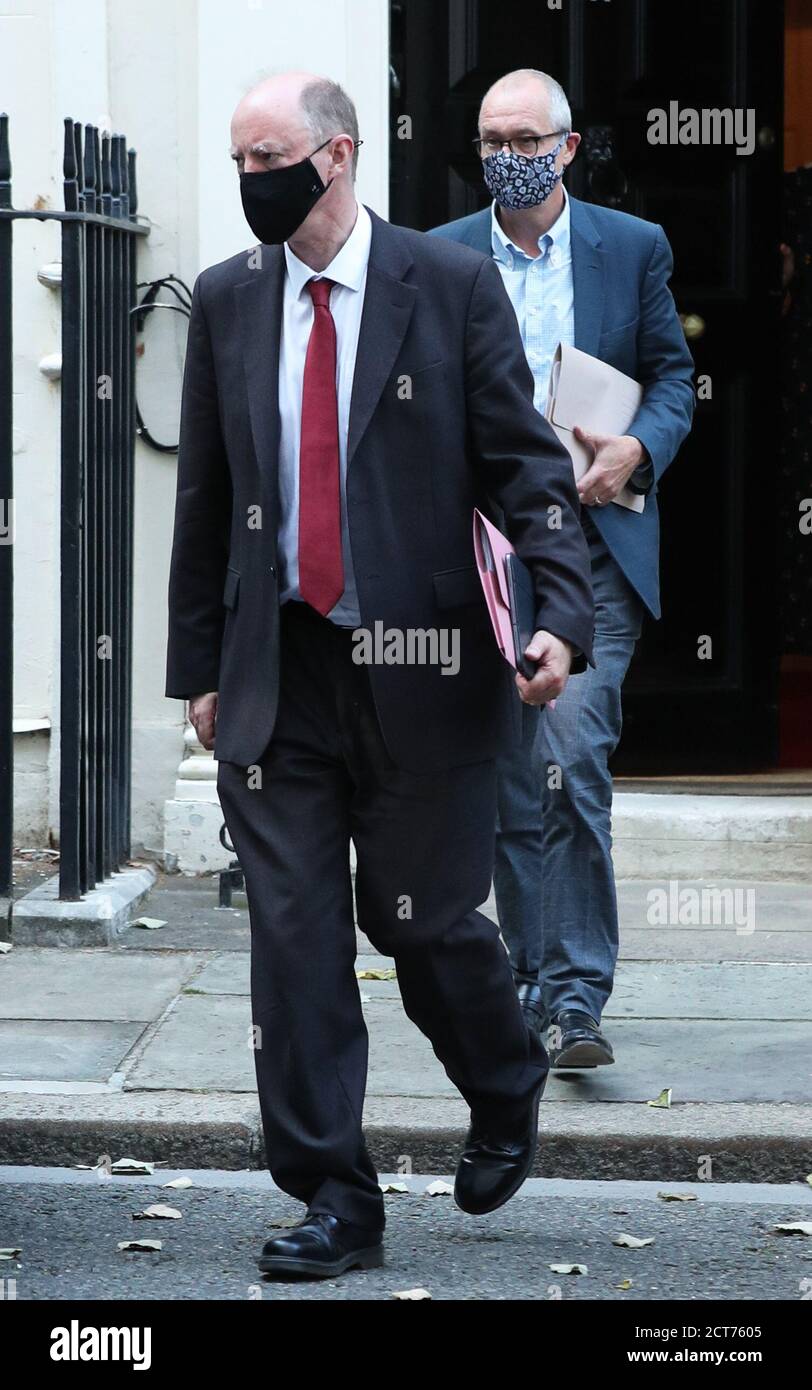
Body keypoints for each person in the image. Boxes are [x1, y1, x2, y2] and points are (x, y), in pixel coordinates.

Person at [165, 70, 594, 1281]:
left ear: (336, 155)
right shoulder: (229, 299)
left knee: (419, 924)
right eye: (239, 162)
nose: (252, 182)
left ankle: (503, 1073)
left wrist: (557, 617)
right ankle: (333, 1196)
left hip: (425, 668)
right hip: (282, 670)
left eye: (268, 160)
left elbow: (523, 470)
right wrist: (197, 665)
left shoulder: (443, 286)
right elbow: (206, 493)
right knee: (292, 940)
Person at [430, 69, 695, 1068]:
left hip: (590, 546)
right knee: (508, 773)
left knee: (570, 760)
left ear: (568, 147)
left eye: (524, 136)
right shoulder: (441, 255)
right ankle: (522, 982)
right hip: (486, 552)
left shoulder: (629, 249)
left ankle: (574, 997)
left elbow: (670, 378)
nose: (507, 153)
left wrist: (637, 449)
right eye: (491, 137)